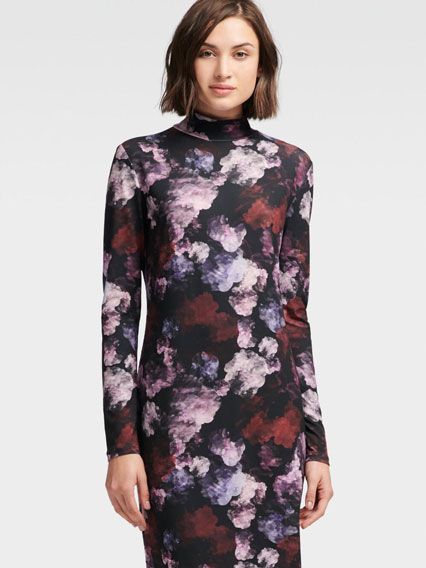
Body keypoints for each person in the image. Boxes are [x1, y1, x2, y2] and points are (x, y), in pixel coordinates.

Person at [101, 1, 334, 566]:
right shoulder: (141, 160)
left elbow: (292, 313)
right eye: (207, 52)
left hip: (271, 424)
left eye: (240, 53)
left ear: (262, 66)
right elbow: (118, 311)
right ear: (185, 60)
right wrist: (121, 444)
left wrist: (317, 445)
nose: (223, 70)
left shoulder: (291, 167)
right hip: (175, 425)